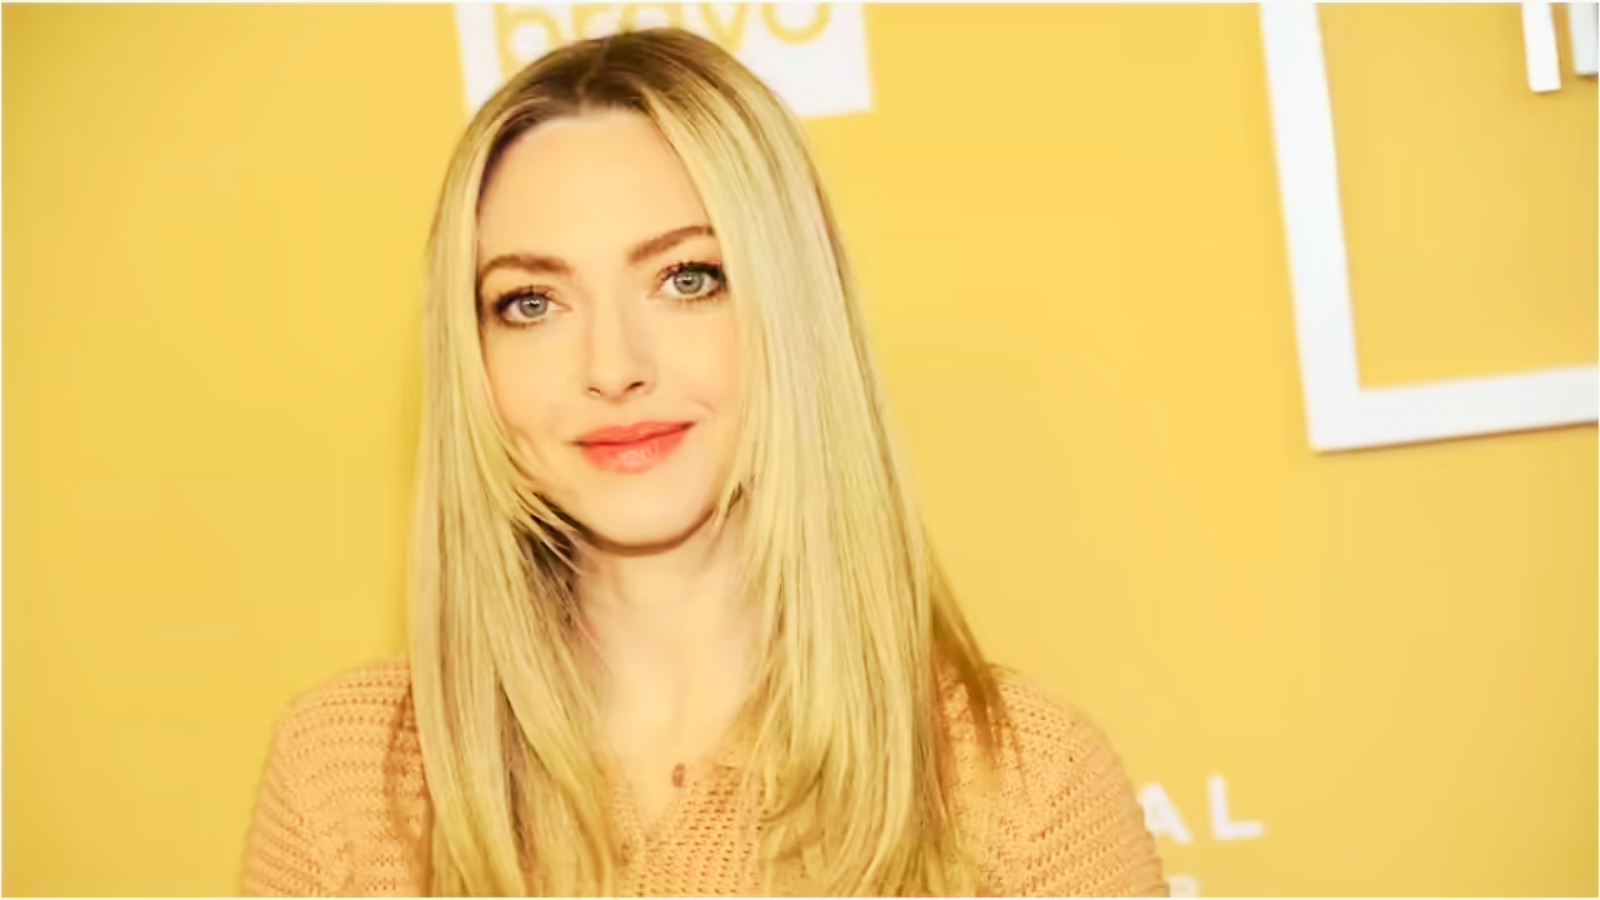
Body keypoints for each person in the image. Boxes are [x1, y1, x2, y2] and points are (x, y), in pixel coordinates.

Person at [241, 27, 1165, 897]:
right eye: (532, 302)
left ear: (790, 310)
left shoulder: (1024, 793)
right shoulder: (344, 781)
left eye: (687, 279)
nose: (613, 367)